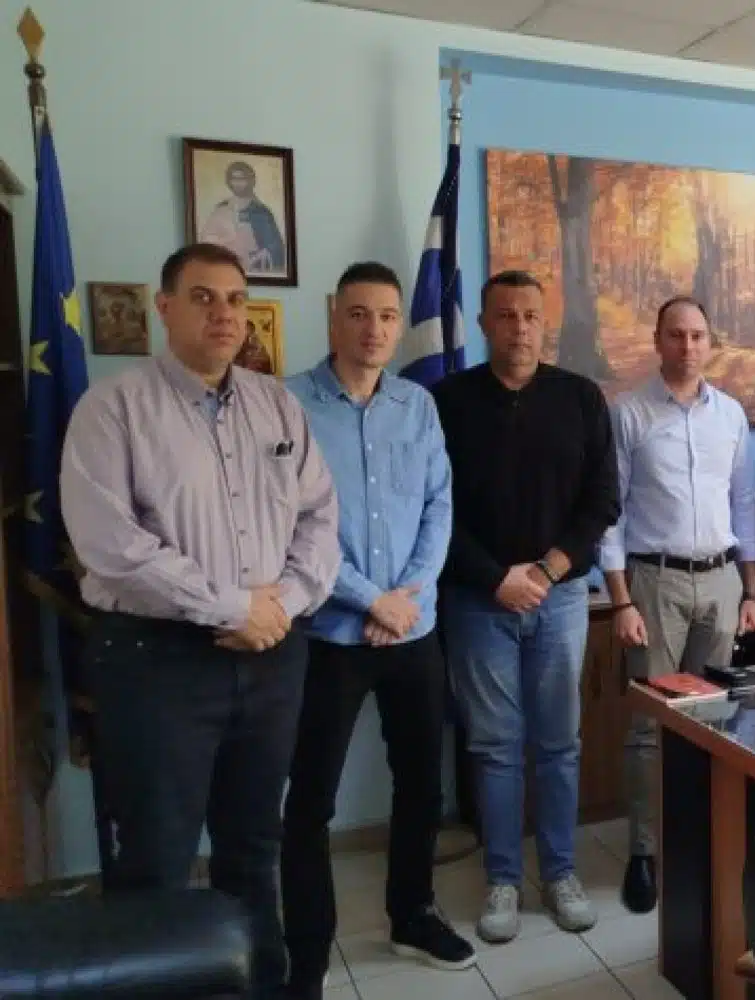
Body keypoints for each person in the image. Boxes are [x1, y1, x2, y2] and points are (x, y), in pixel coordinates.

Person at [58, 243, 340, 998]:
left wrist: (282, 603)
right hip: (159, 661)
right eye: (203, 297)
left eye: (236, 299)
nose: (224, 314)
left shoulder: (277, 405)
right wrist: (234, 607)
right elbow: (111, 546)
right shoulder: (112, 409)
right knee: (156, 858)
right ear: (165, 308)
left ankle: (261, 986)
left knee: (254, 848)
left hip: (272, 655)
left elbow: (319, 517)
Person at [280, 262, 470, 996]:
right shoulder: (289, 404)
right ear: (335, 316)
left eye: (388, 316)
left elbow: (439, 506)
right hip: (329, 637)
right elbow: (292, 526)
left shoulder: (417, 405)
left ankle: (411, 914)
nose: (375, 329)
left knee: (421, 784)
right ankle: (307, 950)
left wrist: (407, 599)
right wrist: (371, 602)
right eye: (359, 313)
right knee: (311, 801)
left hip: (412, 632)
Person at [435, 270, 620, 943]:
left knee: (559, 746)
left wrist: (545, 571)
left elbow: (602, 501)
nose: (519, 328)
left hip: (561, 597)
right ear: (485, 323)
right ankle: (504, 881)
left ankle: (561, 874)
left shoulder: (580, 397)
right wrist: (496, 579)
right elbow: (434, 508)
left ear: (547, 323)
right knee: (494, 748)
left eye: (531, 316)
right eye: (506, 316)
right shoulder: (447, 401)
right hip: (478, 602)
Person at [599, 296, 755, 916]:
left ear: (710, 342)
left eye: (698, 335)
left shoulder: (730, 415)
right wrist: (620, 600)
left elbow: (745, 504)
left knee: (712, 720)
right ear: (658, 341)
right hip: (655, 584)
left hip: (721, 582)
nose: (688, 346)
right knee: (652, 727)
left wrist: (751, 591)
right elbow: (611, 512)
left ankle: (698, 838)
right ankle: (644, 852)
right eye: (676, 335)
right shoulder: (630, 413)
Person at [201, 160, 287, 275]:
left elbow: (276, 246)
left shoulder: (261, 212)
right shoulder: (221, 209)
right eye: (234, 179)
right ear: (229, 181)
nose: (238, 183)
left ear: (250, 181)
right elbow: (206, 240)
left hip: (254, 268)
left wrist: (265, 253)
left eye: (242, 179)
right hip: (225, 267)